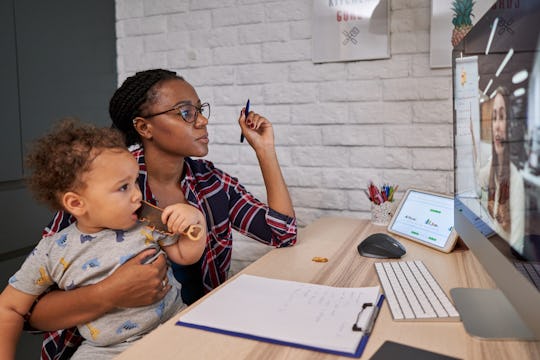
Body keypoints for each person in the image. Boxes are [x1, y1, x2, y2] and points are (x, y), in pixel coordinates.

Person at [28, 69, 297, 358]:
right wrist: (109, 292)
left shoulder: (211, 183)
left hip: (191, 337)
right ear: (144, 128)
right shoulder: (102, 186)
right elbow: (31, 312)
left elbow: (283, 233)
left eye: (200, 110)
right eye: (186, 112)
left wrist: (264, 150)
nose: (203, 120)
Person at [0, 119, 207, 359]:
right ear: (76, 203)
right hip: (106, 350)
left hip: (172, 325)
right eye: (123, 188)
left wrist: (195, 220)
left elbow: (186, 254)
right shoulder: (51, 251)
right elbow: (9, 307)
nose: (137, 195)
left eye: (135, 183)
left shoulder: (145, 222)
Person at [474, 86, 525, 253]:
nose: (496, 125)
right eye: (494, 117)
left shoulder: (515, 180)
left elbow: (517, 248)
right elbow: (475, 181)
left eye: (502, 117)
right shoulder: (491, 169)